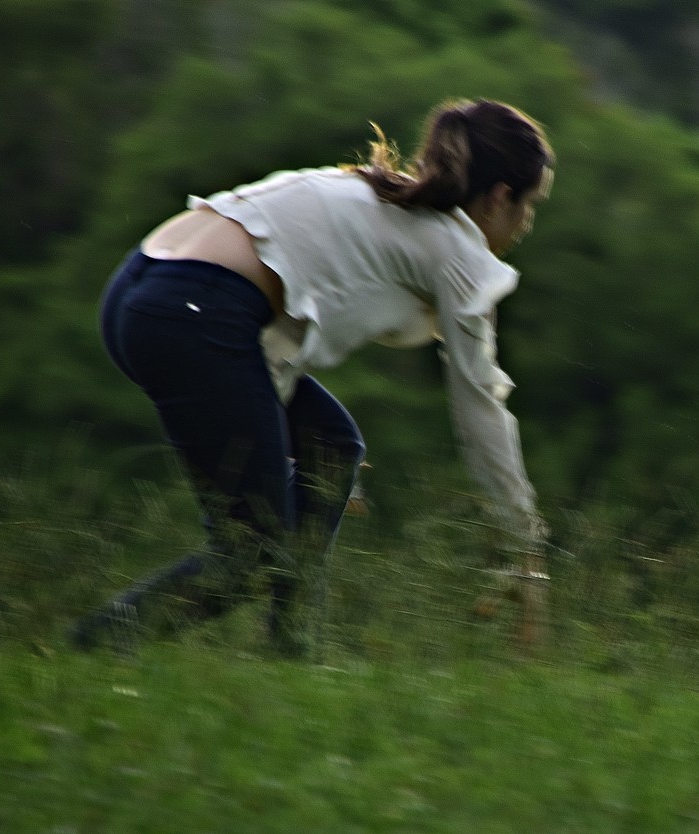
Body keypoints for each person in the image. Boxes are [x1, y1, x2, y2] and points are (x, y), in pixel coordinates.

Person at [71, 98, 554, 655]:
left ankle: (292, 653)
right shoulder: (456, 252)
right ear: (499, 198)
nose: (527, 222)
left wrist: (287, 449)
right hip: (193, 312)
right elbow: (481, 411)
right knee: (249, 553)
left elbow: (273, 291)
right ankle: (92, 648)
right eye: (530, 204)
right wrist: (526, 551)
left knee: (330, 449)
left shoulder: (374, 190)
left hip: (140, 288)